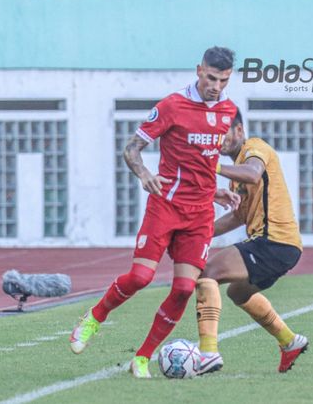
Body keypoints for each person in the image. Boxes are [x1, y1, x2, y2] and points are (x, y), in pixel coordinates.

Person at [69, 47, 240, 378]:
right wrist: (145, 174)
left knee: (184, 289)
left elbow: (205, 159)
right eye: (210, 77)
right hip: (166, 205)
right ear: (198, 70)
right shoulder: (172, 106)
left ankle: (143, 358)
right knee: (141, 277)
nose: (216, 86)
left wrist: (214, 189)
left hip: (200, 213)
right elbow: (131, 148)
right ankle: (94, 317)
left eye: (223, 80)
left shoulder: (228, 111)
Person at [194, 108, 308, 375]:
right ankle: (289, 341)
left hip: (274, 241)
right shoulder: (237, 177)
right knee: (237, 292)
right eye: (215, 135)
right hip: (277, 245)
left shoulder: (254, 148)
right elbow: (239, 217)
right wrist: (200, 233)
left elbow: (254, 173)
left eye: (224, 133)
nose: (219, 140)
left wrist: (215, 166)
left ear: (239, 131)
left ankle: (208, 353)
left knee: (207, 271)